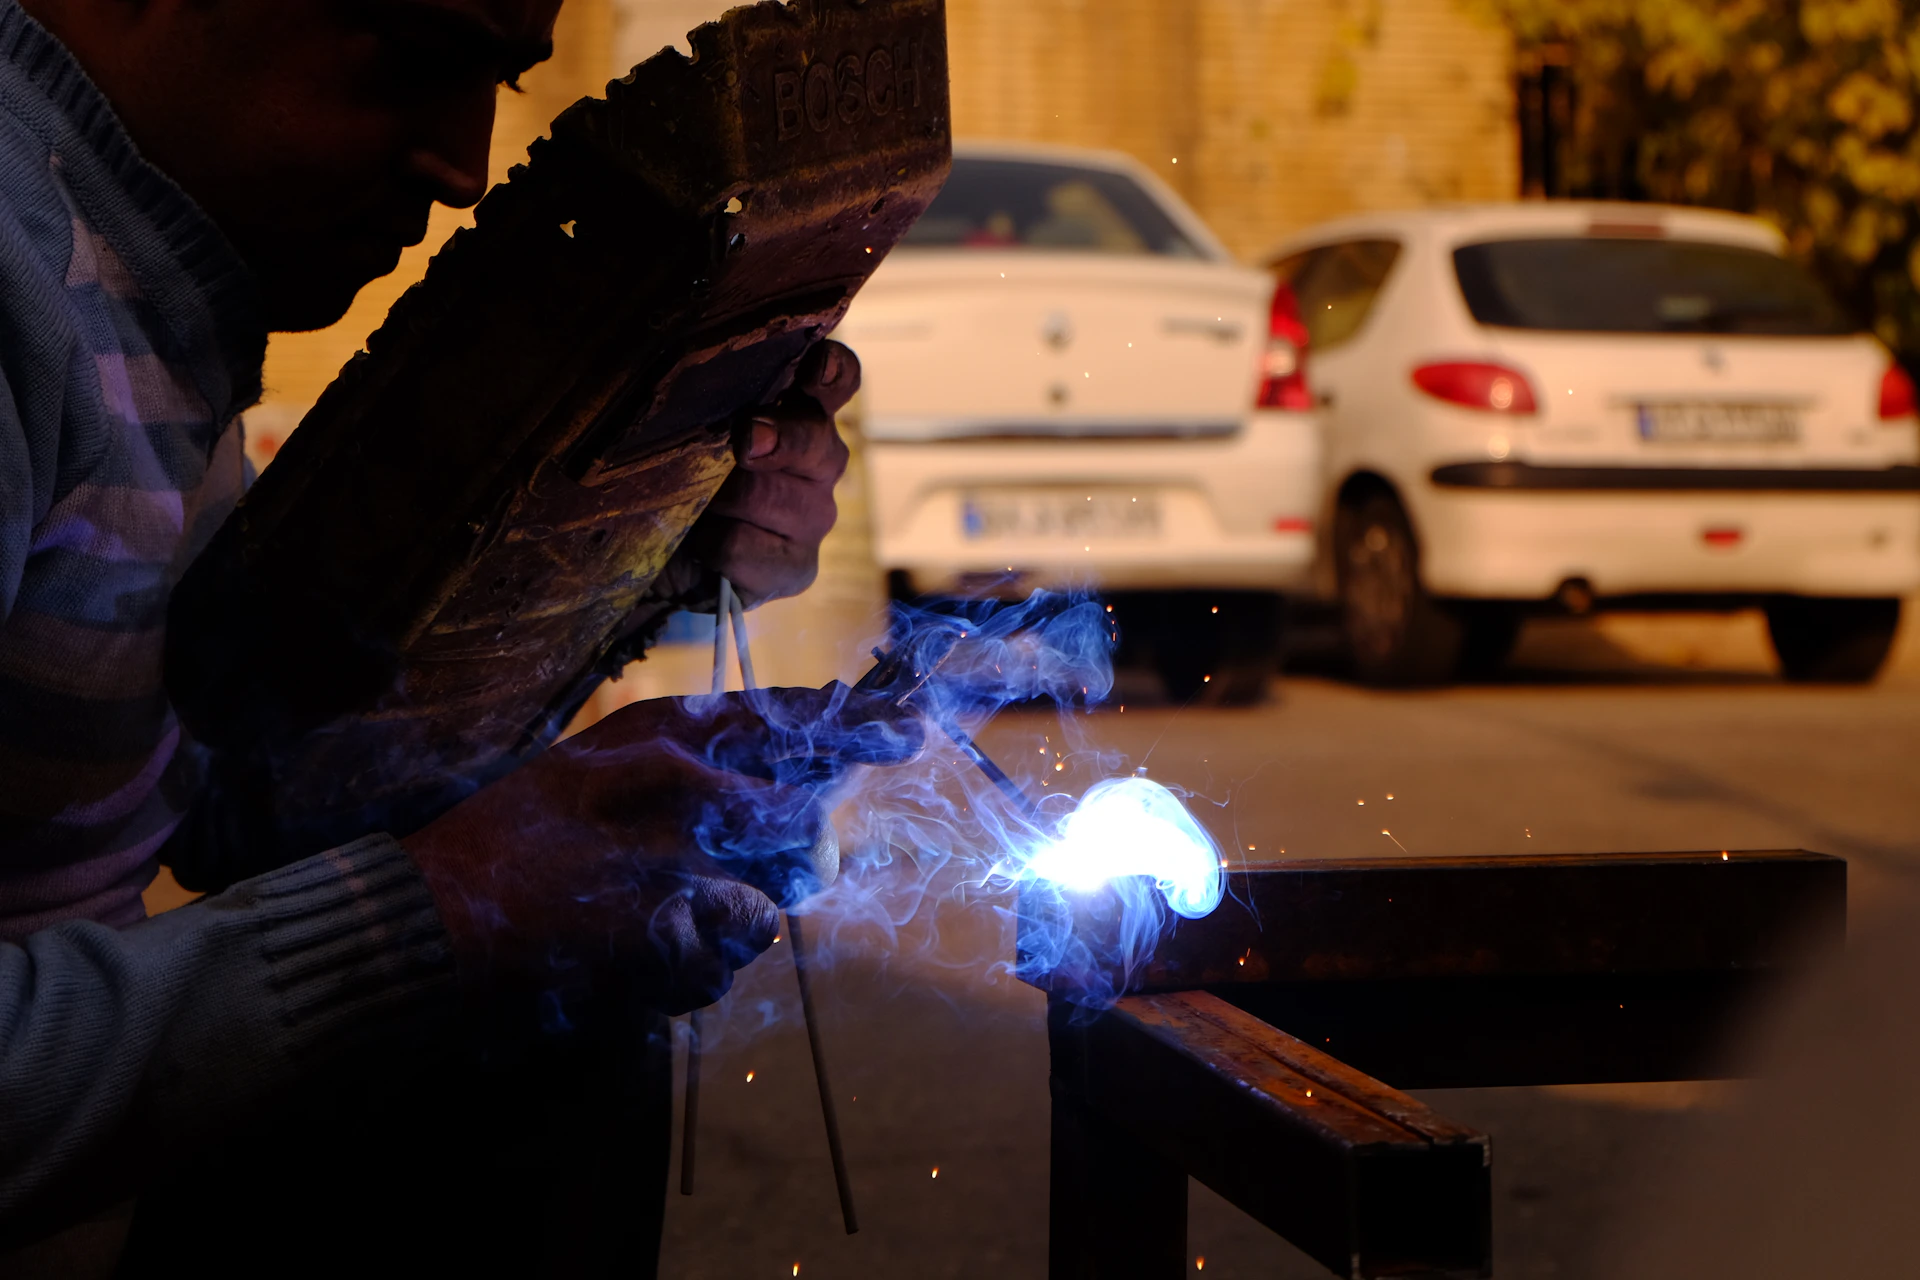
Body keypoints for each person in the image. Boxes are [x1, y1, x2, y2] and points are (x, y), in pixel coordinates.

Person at [0, 0, 920, 1270]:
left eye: (494, 80)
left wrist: (626, 553)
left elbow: (208, 797)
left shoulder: (146, 263)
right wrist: (437, 911)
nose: (465, 165)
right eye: (415, 59)